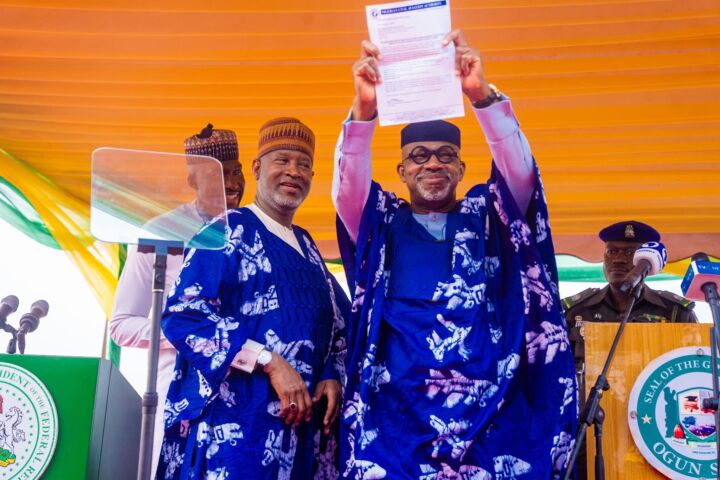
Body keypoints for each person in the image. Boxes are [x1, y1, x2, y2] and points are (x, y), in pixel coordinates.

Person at [333, 31, 576, 479]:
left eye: (446, 156)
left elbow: (520, 175)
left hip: (489, 415)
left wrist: (480, 97)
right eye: (419, 156)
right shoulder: (382, 222)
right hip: (396, 421)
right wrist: (364, 111)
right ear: (401, 170)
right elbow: (348, 186)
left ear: (462, 169)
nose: (433, 164)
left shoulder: (490, 216)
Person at [156, 118, 349, 480]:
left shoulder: (307, 246)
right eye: (283, 161)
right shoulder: (223, 230)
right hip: (235, 433)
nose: (294, 172)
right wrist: (268, 360)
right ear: (257, 168)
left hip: (298, 436)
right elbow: (183, 316)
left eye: (304, 164)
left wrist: (330, 375)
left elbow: (339, 325)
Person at [109, 124, 245, 477]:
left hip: (247, 393)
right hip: (177, 392)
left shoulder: (255, 229)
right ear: (192, 182)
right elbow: (122, 325)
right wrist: (192, 337)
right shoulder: (161, 232)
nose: (233, 182)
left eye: (237, 171)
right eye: (219, 174)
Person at [562, 220, 697, 479]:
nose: (620, 260)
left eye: (630, 253)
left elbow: (692, 377)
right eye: (612, 252)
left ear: (648, 262)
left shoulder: (675, 312)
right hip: (589, 433)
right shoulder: (575, 311)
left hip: (657, 434)